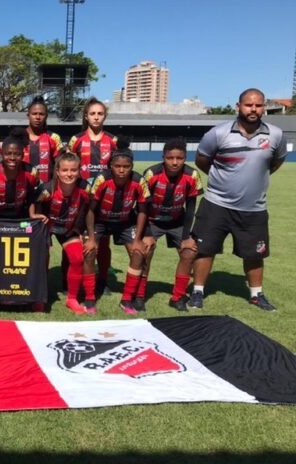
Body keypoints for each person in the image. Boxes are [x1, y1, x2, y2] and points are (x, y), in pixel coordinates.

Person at [188, 88, 287, 311]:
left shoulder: (276, 135)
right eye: (249, 105)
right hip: (216, 204)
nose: (253, 109)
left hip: (254, 208)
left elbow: (275, 162)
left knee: (254, 253)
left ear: (264, 107)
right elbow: (202, 160)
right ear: (238, 106)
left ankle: (256, 295)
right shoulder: (218, 133)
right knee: (205, 249)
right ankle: (197, 292)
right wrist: (222, 180)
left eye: (258, 105)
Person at [86, 139, 150, 315]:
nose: (122, 170)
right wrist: (91, 238)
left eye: (126, 166)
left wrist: (137, 239)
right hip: (100, 220)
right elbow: (90, 210)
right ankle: (90, 298)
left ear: (132, 166)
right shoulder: (101, 180)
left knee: (138, 253)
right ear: (110, 166)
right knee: (90, 251)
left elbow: (143, 211)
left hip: (125, 221)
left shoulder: (139, 181)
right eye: (117, 166)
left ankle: (127, 299)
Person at [0, 133, 44, 311]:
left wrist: (32, 215)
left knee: (18, 259)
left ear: (22, 154)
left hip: (19, 219)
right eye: (8, 153)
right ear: (2, 154)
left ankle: (23, 293)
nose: (12, 157)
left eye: (16, 154)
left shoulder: (31, 173)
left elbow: (33, 195)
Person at [141, 138, 203, 312]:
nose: (175, 162)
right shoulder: (152, 173)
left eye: (180, 158)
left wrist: (186, 237)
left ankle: (177, 297)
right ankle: (140, 294)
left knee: (189, 252)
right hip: (152, 221)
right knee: (145, 250)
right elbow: (142, 205)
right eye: (170, 158)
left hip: (177, 221)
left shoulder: (192, 175)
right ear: (163, 157)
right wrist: (146, 232)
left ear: (185, 158)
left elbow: (190, 207)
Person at [35, 151, 96, 315]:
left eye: (73, 170)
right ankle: (39, 297)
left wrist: (91, 236)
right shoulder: (47, 189)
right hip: (47, 227)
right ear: (57, 171)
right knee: (41, 260)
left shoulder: (85, 188)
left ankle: (72, 299)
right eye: (65, 170)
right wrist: (36, 216)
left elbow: (90, 210)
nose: (69, 174)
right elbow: (34, 204)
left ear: (79, 170)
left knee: (77, 259)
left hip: (69, 228)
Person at [69, 98, 118, 295]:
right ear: (86, 116)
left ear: (104, 116)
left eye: (100, 114)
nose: (96, 117)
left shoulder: (112, 141)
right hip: (81, 198)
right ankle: (73, 280)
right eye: (92, 114)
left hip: (105, 200)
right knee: (76, 238)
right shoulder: (77, 140)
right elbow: (68, 165)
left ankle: (103, 280)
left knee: (103, 243)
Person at [24, 97, 63, 184]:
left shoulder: (54, 138)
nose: (38, 117)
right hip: (23, 188)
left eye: (41, 114)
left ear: (46, 116)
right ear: (28, 116)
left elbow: (60, 166)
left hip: (47, 190)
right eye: (34, 114)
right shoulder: (18, 137)